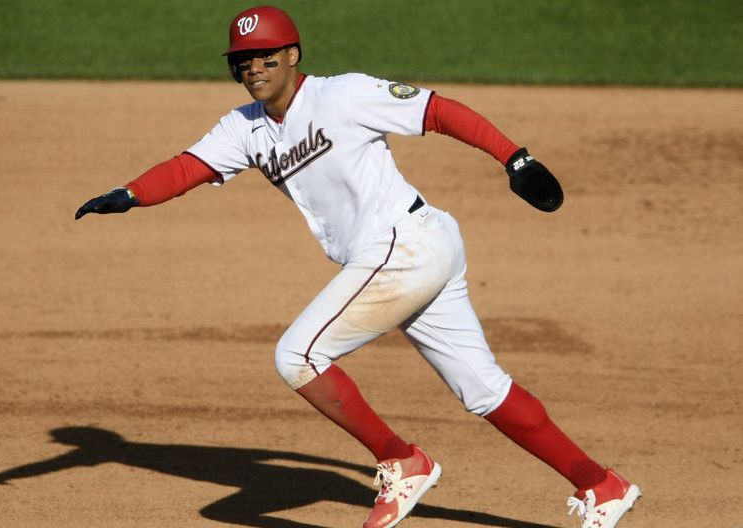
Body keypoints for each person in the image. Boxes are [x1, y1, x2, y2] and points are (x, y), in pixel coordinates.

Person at [75, 6, 641, 528]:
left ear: (293, 55)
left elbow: (436, 110)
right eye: (243, 61)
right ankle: (602, 484)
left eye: (266, 57)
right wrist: (130, 194)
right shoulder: (244, 127)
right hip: (415, 253)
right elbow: (187, 168)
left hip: (404, 248)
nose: (254, 69)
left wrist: (514, 157)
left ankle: (403, 461)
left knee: (298, 355)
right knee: (483, 390)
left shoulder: (343, 94)